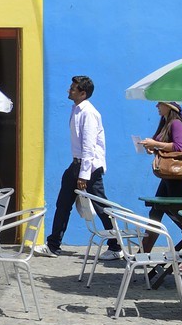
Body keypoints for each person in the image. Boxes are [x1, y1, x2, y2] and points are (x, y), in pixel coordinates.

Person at [37, 75, 121, 258]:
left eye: (73, 88)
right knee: (63, 204)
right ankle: (53, 245)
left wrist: (84, 174)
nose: (69, 90)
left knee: (101, 207)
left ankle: (116, 247)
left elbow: (89, 146)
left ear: (83, 93)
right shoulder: (76, 109)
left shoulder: (88, 113)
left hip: (89, 167)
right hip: (76, 165)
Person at [138, 101, 182, 272]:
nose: (157, 106)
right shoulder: (165, 123)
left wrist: (155, 144)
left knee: (180, 217)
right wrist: (151, 147)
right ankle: (143, 254)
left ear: (169, 107)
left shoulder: (176, 123)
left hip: (177, 178)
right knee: (155, 212)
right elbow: (164, 147)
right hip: (168, 177)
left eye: (160, 104)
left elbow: (179, 146)